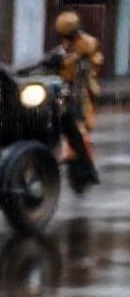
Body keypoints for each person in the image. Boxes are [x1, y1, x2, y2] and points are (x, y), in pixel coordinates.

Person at [52, 11, 103, 192]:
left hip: (81, 89)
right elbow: (59, 61)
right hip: (65, 89)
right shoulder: (64, 46)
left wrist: (77, 60)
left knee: (82, 124)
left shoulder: (87, 43)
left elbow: (93, 60)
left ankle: (88, 168)